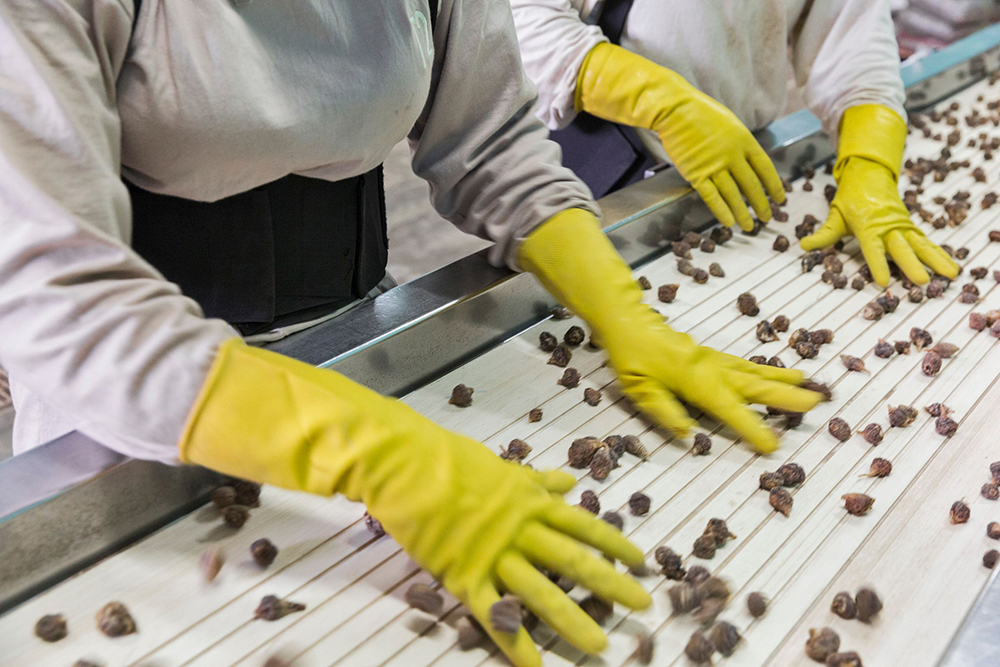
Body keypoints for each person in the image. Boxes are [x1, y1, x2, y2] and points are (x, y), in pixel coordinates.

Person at [0, 0, 821, 663]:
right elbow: (61, 300)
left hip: (358, 339)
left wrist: (625, 314)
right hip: (137, 394)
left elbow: (491, 143)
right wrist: (381, 456)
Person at [510, 0, 961, 287]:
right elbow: (517, 20)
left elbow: (849, 33)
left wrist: (869, 160)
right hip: (603, 163)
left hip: (732, 167)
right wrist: (658, 101)